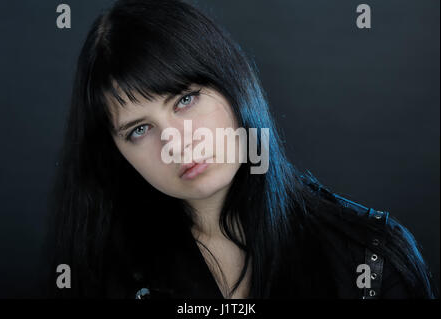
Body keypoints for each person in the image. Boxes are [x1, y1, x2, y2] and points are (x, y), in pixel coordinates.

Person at [48, 0, 436, 299]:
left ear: (233, 84)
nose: (176, 144)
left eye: (185, 100)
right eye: (139, 129)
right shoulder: (97, 270)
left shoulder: (372, 261)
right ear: (115, 151)